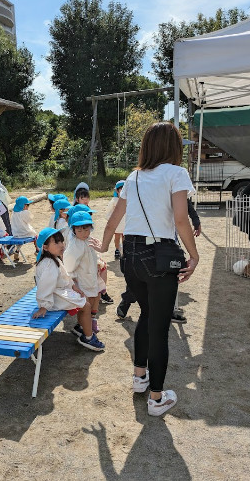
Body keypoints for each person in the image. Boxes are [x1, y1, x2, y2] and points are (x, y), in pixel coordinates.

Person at [101, 122, 199, 417]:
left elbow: (114, 219)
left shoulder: (133, 176)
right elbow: (181, 219)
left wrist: (104, 245)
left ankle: (139, 377)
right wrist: (194, 256)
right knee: (159, 326)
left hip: (130, 255)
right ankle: (156, 398)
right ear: (174, 147)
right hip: (158, 255)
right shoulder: (176, 173)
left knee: (145, 314)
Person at [33, 227, 105, 351]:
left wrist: (73, 286)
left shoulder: (54, 259)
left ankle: (81, 327)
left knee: (84, 301)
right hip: (54, 297)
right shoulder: (49, 264)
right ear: (45, 247)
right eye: (56, 242)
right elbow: (45, 287)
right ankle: (88, 337)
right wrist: (44, 306)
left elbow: (64, 275)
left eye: (61, 241)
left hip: (58, 292)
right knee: (86, 305)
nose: (61, 245)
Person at [64, 211, 106, 334]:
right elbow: (69, 266)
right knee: (85, 306)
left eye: (86, 229)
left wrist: (97, 262)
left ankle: (86, 323)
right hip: (81, 280)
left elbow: (93, 254)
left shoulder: (89, 240)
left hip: (90, 276)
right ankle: (82, 326)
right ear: (74, 230)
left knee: (93, 299)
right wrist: (73, 281)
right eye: (79, 230)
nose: (83, 233)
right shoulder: (74, 246)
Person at [106, 180, 126, 259]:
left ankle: (124, 250)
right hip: (117, 222)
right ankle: (117, 249)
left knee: (124, 237)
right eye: (121, 189)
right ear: (117, 190)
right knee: (117, 236)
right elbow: (109, 210)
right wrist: (110, 219)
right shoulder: (114, 201)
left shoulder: (128, 200)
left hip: (125, 222)